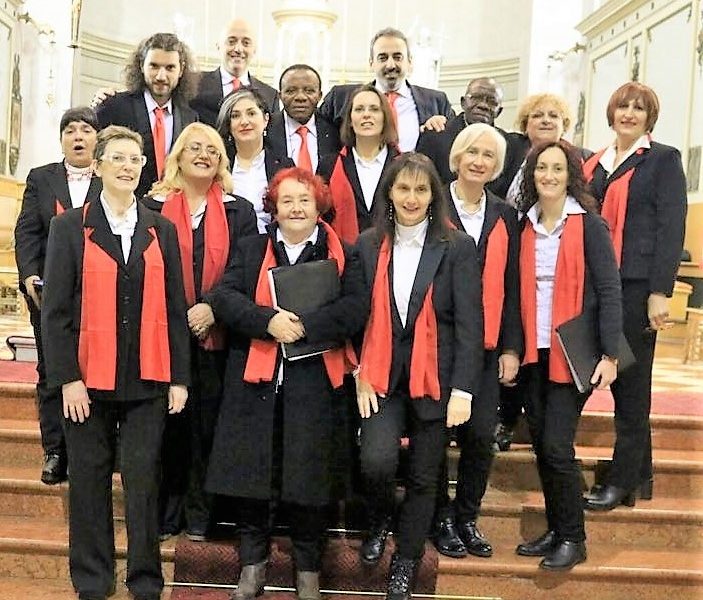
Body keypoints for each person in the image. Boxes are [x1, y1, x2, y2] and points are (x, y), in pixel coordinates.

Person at [41, 125, 190, 600]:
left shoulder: (160, 228)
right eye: (119, 158)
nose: (128, 166)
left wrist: (179, 378)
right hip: (87, 381)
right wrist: (67, 379)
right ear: (99, 166)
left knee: (144, 483)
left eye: (136, 159)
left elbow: (174, 306)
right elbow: (56, 312)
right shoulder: (69, 227)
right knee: (88, 484)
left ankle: (145, 581)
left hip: (147, 378)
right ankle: (93, 581)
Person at [204, 167, 367, 600]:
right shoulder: (251, 247)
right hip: (255, 384)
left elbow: (355, 309)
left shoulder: (344, 255)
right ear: (273, 208)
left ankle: (308, 572)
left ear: (319, 207)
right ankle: (252, 567)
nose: (296, 208)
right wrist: (268, 322)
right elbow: (224, 297)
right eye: (287, 201)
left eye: (304, 200)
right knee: (252, 479)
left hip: (315, 383)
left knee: (310, 483)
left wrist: (303, 327)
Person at [354, 153, 483, 600]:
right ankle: (378, 520)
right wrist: (358, 372)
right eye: (403, 188)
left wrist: (463, 389)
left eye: (421, 189)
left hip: (438, 379)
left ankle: (405, 562)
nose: (412, 198)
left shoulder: (458, 246)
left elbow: (470, 323)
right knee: (376, 462)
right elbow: (354, 316)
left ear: (434, 196)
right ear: (389, 192)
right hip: (379, 375)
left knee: (427, 478)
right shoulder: (367, 245)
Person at [142, 122, 257, 541]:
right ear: (177, 156)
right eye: (194, 147)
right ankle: (165, 513)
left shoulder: (237, 210)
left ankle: (200, 515)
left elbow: (244, 270)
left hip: (216, 335)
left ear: (221, 160)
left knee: (205, 428)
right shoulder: (151, 207)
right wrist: (177, 317)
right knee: (166, 427)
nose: (203, 154)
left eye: (212, 149)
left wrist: (212, 306)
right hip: (161, 335)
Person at [514, 139, 622, 570]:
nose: (549, 176)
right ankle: (558, 529)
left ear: (571, 174)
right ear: (532, 174)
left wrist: (610, 355)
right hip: (532, 349)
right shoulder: (524, 224)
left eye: (558, 169)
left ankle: (575, 538)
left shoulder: (589, 225)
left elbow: (610, 291)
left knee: (557, 446)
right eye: (542, 168)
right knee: (542, 445)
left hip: (573, 351)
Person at [583, 82, 687, 511]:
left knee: (630, 383)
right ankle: (639, 474)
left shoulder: (662, 160)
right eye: (623, 106)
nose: (629, 113)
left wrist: (660, 291)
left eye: (638, 108)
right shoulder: (594, 164)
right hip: (597, 284)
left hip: (637, 285)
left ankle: (621, 479)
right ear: (611, 112)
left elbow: (671, 227)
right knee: (611, 376)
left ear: (649, 117)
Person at [431, 123, 522, 559]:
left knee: (481, 435)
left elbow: (514, 286)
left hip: (485, 346)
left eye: (488, 155)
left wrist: (510, 347)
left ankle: (466, 516)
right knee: (433, 436)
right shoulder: (432, 201)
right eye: (473, 152)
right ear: (458, 156)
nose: (479, 161)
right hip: (435, 342)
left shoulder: (505, 214)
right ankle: (438, 517)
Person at [14, 106, 102, 486]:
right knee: (52, 370)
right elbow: (27, 232)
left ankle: (93, 450)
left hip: (102, 293)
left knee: (95, 371)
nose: (78, 136)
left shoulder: (110, 176)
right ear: (62, 138)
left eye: (85, 129)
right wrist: (30, 276)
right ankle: (55, 451)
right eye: (71, 130)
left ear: (97, 137)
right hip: (50, 293)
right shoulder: (41, 178)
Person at [492, 92, 578, 452]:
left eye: (553, 115)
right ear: (524, 125)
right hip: (517, 268)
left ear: (564, 125)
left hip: (563, 290)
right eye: (537, 115)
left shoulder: (578, 165)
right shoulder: (511, 160)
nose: (545, 120)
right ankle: (507, 419)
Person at [95, 32, 199, 198]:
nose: (161, 76)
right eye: (154, 66)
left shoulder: (190, 118)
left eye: (170, 68)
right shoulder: (115, 106)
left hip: (171, 208)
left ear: (181, 70)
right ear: (142, 66)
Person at [319, 28, 454, 152]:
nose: (390, 65)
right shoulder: (340, 99)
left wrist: (442, 127)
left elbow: (455, 141)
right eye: (383, 58)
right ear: (371, 63)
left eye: (397, 57)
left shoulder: (437, 102)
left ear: (409, 61)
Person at [319, 84, 400, 244]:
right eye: (359, 109)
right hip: (343, 257)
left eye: (374, 109)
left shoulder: (402, 165)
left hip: (392, 255)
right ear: (349, 119)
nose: (366, 115)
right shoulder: (329, 165)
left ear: (385, 117)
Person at [417, 76, 517, 193]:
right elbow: (420, 182)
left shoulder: (509, 146)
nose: (483, 105)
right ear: (463, 102)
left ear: (499, 111)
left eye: (491, 101)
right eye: (476, 98)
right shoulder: (435, 135)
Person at [215, 88, 294, 233]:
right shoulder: (217, 164)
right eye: (235, 116)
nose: (244, 122)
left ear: (266, 119)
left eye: (251, 113)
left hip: (270, 247)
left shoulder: (284, 166)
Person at [190, 18, 280, 127]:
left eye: (246, 43)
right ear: (219, 46)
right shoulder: (195, 84)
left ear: (254, 50)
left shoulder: (270, 95)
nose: (238, 49)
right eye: (231, 42)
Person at [264, 63, 341, 173]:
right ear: (280, 96)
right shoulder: (265, 131)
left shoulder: (335, 133)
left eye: (309, 91)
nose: (300, 97)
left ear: (319, 96)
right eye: (291, 91)